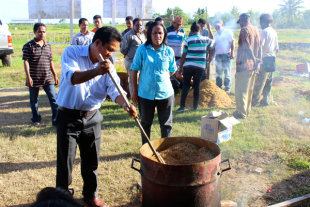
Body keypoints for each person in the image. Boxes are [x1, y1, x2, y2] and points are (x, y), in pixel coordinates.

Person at [56, 27, 138, 207]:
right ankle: (62, 196)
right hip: (68, 116)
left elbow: (114, 89)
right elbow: (72, 78)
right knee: (65, 161)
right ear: (97, 43)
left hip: (92, 117)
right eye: (109, 49)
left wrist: (125, 104)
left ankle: (90, 195)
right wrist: (96, 71)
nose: (109, 55)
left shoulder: (108, 65)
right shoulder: (72, 52)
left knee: (92, 160)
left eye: (113, 51)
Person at [130, 21, 177, 145]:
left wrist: (162, 79)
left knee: (166, 125)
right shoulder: (142, 49)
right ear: (149, 34)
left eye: (160, 33)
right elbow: (134, 70)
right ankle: (146, 150)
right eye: (154, 33)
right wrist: (135, 91)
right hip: (145, 94)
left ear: (164, 34)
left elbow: (172, 71)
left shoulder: (169, 51)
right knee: (145, 124)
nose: (157, 36)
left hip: (165, 94)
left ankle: (166, 149)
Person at [22, 23, 59, 126]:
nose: (42, 34)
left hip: (47, 77)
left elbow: (50, 61)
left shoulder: (48, 46)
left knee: (54, 99)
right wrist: (28, 77)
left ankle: (56, 120)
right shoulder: (28, 46)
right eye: (40, 32)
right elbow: (26, 62)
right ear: (34, 32)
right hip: (34, 78)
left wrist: (55, 75)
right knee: (34, 101)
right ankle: (36, 119)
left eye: (44, 32)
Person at [176, 22, 214, 112]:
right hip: (200, 66)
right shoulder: (205, 39)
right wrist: (210, 30)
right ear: (200, 31)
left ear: (191, 31)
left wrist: (180, 70)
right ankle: (194, 107)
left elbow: (183, 55)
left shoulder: (188, 40)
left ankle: (182, 107)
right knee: (196, 86)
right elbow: (213, 42)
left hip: (188, 66)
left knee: (186, 86)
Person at [234, 13, 262, 119]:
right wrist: (257, 62)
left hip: (244, 65)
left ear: (242, 20)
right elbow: (259, 47)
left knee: (241, 90)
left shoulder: (244, 30)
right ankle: (247, 110)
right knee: (249, 90)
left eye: (240, 22)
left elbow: (247, 47)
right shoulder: (255, 30)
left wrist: (254, 60)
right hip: (253, 66)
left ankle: (241, 113)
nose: (239, 25)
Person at [252, 14, 279, 107]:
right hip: (272, 58)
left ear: (263, 22)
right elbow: (277, 48)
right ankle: (265, 100)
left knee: (259, 82)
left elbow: (260, 46)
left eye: (260, 22)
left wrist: (257, 59)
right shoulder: (274, 32)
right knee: (268, 81)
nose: (260, 24)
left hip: (264, 58)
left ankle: (254, 101)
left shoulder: (263, 32)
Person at [120, 18, 146, 97]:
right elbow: (123, 49)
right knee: (133, 81)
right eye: (137, 25)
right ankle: (135, 100)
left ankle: (141, 98)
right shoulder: (128, 35)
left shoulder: (142, 35)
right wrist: (130, 55)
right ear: (133, 25)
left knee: (142, 80)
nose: (139, 27)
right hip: (131, 62)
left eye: (141, 25)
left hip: (142, 62)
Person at [213, 19, 235, 92]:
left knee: (227, 72)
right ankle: (219, 88)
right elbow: (213, 46)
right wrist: (212, 56)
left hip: (227, 55)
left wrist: (232, 52)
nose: (217, 27)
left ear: (222, 25)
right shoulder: (215, 35)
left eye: (218, 25)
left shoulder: (228, 32)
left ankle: (227, 88)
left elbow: (232, 42)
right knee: (219, 72)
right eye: (215, 26)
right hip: (218, 56)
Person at [166, 16, 186, 94]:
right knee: (170, 71)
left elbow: (184, 42)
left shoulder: (182, 31)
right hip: (170, 55)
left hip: (179, 54)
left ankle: (178, 88)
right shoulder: (168, 30)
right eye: (177, 24)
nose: (179, 26)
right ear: (173, 23)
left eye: (180, 24)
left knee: (178, 71)